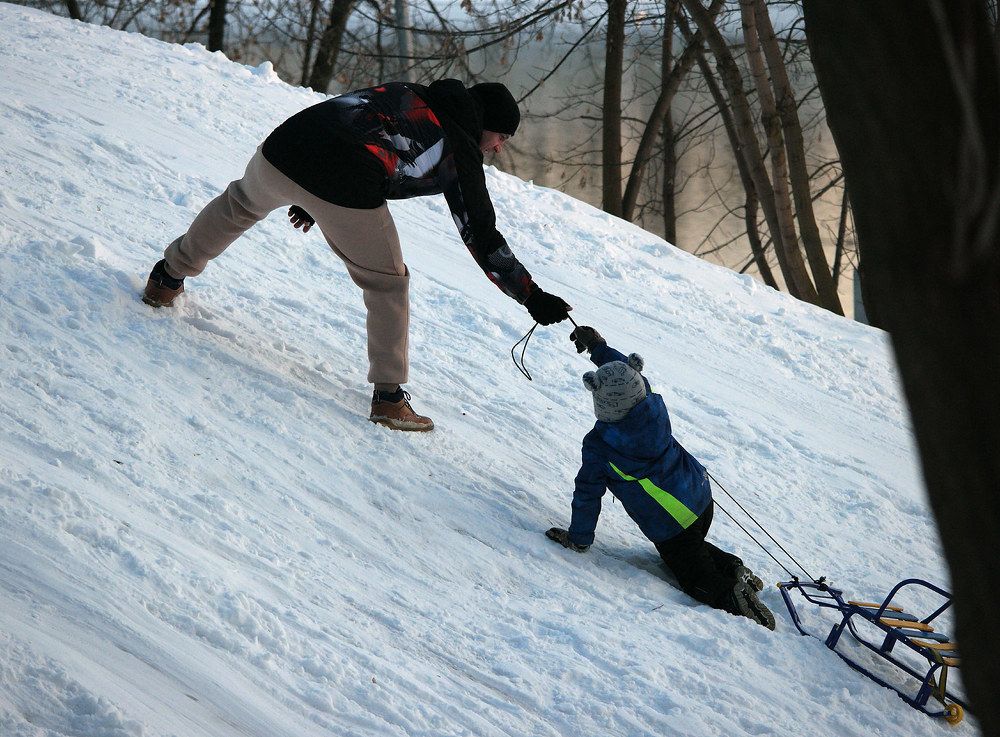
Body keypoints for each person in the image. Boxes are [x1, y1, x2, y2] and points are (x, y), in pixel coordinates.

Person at [141, 79, 572, 431]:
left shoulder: (409, 94)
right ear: (486, 126)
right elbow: (480, 232)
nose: (497, 148)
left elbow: (353, 128)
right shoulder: (459, 145)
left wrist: (309, 193)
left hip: (285, 146)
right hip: (342, 180)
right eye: (500, 138)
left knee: (239, 205)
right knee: (387, 282)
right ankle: (389, 398)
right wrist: (530, 296)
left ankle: (166, 277)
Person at [545, 326, 775, 630]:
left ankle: (729, 595)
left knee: (691, 574)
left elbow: (587, 494)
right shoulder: (651, 402)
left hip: (671, 524)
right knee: (691, 547)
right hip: (701, 495)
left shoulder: (599, 446)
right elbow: (626, 374)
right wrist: (598, 346)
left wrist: (578, 539)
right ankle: (731, 567)